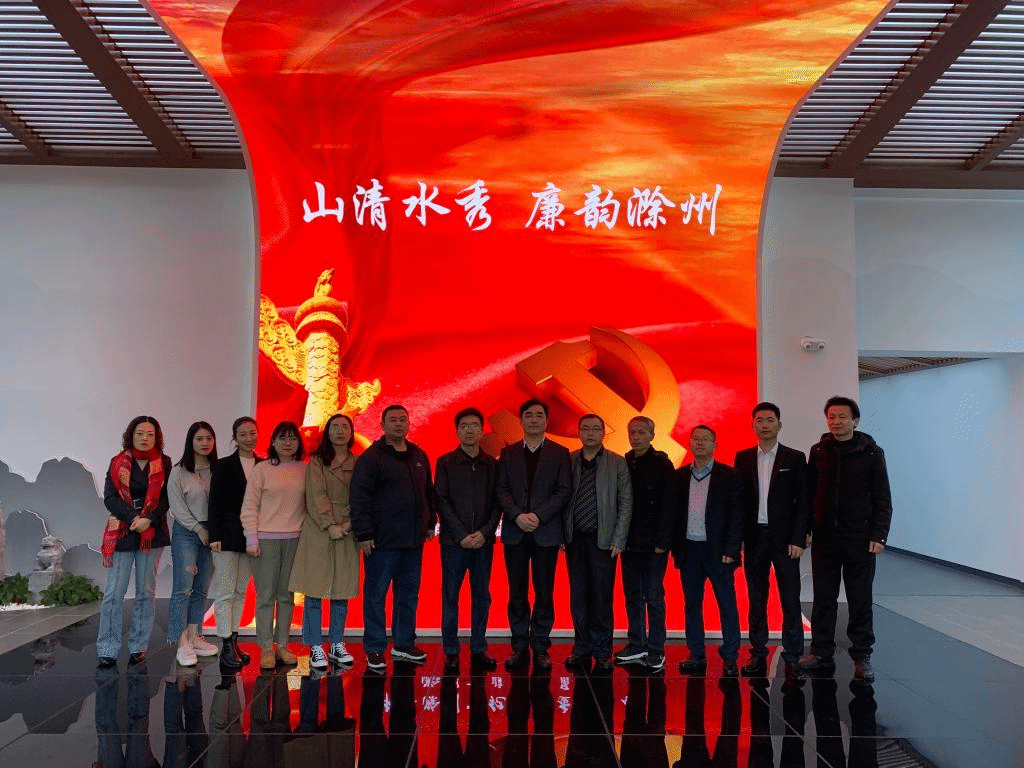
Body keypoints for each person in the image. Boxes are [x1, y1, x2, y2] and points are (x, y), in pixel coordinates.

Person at [801, 396, 892, 682]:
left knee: (860, 599)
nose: (836, 422)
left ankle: (862, 655)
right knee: (823, 598)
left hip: (860, 538)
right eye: (831, 417)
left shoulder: (871, 452)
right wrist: (806, 529)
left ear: (855, 421)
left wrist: (879, 534)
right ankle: (820, 652)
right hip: (825, 538)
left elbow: (883, 497)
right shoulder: (818, 451)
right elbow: (809, 494)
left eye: (842, 416)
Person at [350, 404, 436, 671]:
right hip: (381, 542)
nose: (399, 424)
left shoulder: (418, 454)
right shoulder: (371, 458)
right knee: (376, 596)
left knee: (408, 595)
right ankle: (375, 647)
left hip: (413, 541)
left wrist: (430, 522)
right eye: (393, 420)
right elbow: (359, 497)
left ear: (409, 423)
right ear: (383, 425)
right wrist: (364, 533)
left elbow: (428, 492)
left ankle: (404, 643)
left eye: (403, 419)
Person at [733, 402, 810, 681]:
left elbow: (804, 501)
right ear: (753, 425)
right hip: (754, 538)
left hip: (786, 540)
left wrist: (799, 537)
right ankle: (758, 653)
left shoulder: (795, 457)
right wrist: (738, 538)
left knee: (790, 598)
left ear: (779, 424)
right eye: (759, 420)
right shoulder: (742, 458)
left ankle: (793, 655)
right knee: (757, 598)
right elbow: (738, 501)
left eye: (769, 420)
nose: (764, 425)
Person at [495, 398, 572, 672]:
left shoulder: (560, 453)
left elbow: (563, 491)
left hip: (546, 531)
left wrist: (538, 516)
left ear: (547, 421)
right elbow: (501, 489)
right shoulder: (508, 453)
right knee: (516, 591)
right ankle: (518, 645)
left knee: (544, 591)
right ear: (521, 420)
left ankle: (540, 646)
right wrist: (517, 515)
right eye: (529, 415)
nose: (534, 419)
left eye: (540, 415)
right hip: (515, 531)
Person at [96, 415, 173, 668]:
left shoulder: (165, 462)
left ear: (157, 437)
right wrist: (133, 518)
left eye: (150, 434)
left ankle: (138, 646)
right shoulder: (117, 462)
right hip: (124, 529)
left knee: (145, 592)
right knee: (114, 592)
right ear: (131, 435)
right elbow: (110, 498)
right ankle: (107, 648)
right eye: (140, 433)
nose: (145, 438)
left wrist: (148, 519)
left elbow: (167, 498)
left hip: (152, 532)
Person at [289, 413, 360, 672]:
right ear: (327, 432)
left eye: (345, 426)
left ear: (351, 433)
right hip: (319, 528)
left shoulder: (358, 462)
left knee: (342, 589)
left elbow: (362, 495)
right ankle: (315, 645)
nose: (340, 430)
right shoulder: (317, 462)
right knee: (314, 589)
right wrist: (330, 524)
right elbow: (316, 495)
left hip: (349, 529)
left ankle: (337, 642)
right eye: (335, 426)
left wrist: (349, 523)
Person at [671, 424, 744, 676]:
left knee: (726, 604)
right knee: (692, 605)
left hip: (719, 551)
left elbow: (737, 515)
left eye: (705, 439)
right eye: (696, 438)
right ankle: (696, 653)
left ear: (715, 444)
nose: (700, 442)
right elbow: (673, 516)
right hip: (689, 550)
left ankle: (730, 656)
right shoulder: (679, 476)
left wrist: (732, 549)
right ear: (690, 443)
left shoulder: (730, 475)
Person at [564, 413, 632, 673]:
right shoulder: (569, 461)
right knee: (578, 597)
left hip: (603, 541)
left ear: (603, 433)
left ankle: (603, 651)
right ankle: (581, 647)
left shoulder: (617, 462)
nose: (590, 433)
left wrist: (619, 539)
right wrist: (561, 534)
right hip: (575, 540)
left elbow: (626, 503)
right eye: (586, 429)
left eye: (595, 429)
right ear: (579, 432)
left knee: (602, 598)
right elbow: (560, 499)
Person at [434, 407, 501, 672]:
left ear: (482, 430)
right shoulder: (446, 462)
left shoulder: (492, 464)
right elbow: (441, 500)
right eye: (464, 426)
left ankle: (478, 647)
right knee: (450, 596)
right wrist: (461, 534)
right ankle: (451, 649)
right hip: (454, 543)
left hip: (483, 543)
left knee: (481, 596)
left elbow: (498, 503)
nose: (470, 430)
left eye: (474, 425)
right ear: (457, 431)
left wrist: (484, 533)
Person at [240, 420, 306, 670]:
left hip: (295, 540)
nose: (288, 443)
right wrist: (251, 537)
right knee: (266, 595)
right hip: (265, 540)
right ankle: (266, 647)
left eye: (292, 438)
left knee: (287, 596)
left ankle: (283, 646)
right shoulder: (262, 469)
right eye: (282, 438)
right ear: (273, 442)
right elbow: (249, 506)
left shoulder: (305, 470)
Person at [617, 415, 676, 672]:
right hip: (629, 542)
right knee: (632, 595)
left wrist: (664, 540)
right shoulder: (624, 462)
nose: (637, 437)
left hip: (654, 543)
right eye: (633, 432)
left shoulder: (662, 463)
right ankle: (637, 643)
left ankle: (656, 648)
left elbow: (670, 506)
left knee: (653, 595)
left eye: (642, 432)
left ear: (652, 435)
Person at [208, 416, 261, 669]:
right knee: (225, 592)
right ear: (235, 438)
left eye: (252, 433)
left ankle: (235, 641)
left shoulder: (264, 465)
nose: (249, 438)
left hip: (252, 537)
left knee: (240, 592)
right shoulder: (223, 465)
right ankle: (225, 645)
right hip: (226, 537)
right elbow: (214, 503)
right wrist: (214, 536)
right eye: (243, 434)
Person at [167, 420, 220, 667]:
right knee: (183, 589)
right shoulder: (178, 472)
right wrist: (198, 529)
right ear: (191, 442)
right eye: (199, 439)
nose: (205, 443)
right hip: (187, 532)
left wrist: (213, 531)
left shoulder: (218, 470)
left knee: (201, 588)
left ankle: (195, 635)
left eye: (209, 438)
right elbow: (177, 508)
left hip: (212, 533)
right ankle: (182, 642)